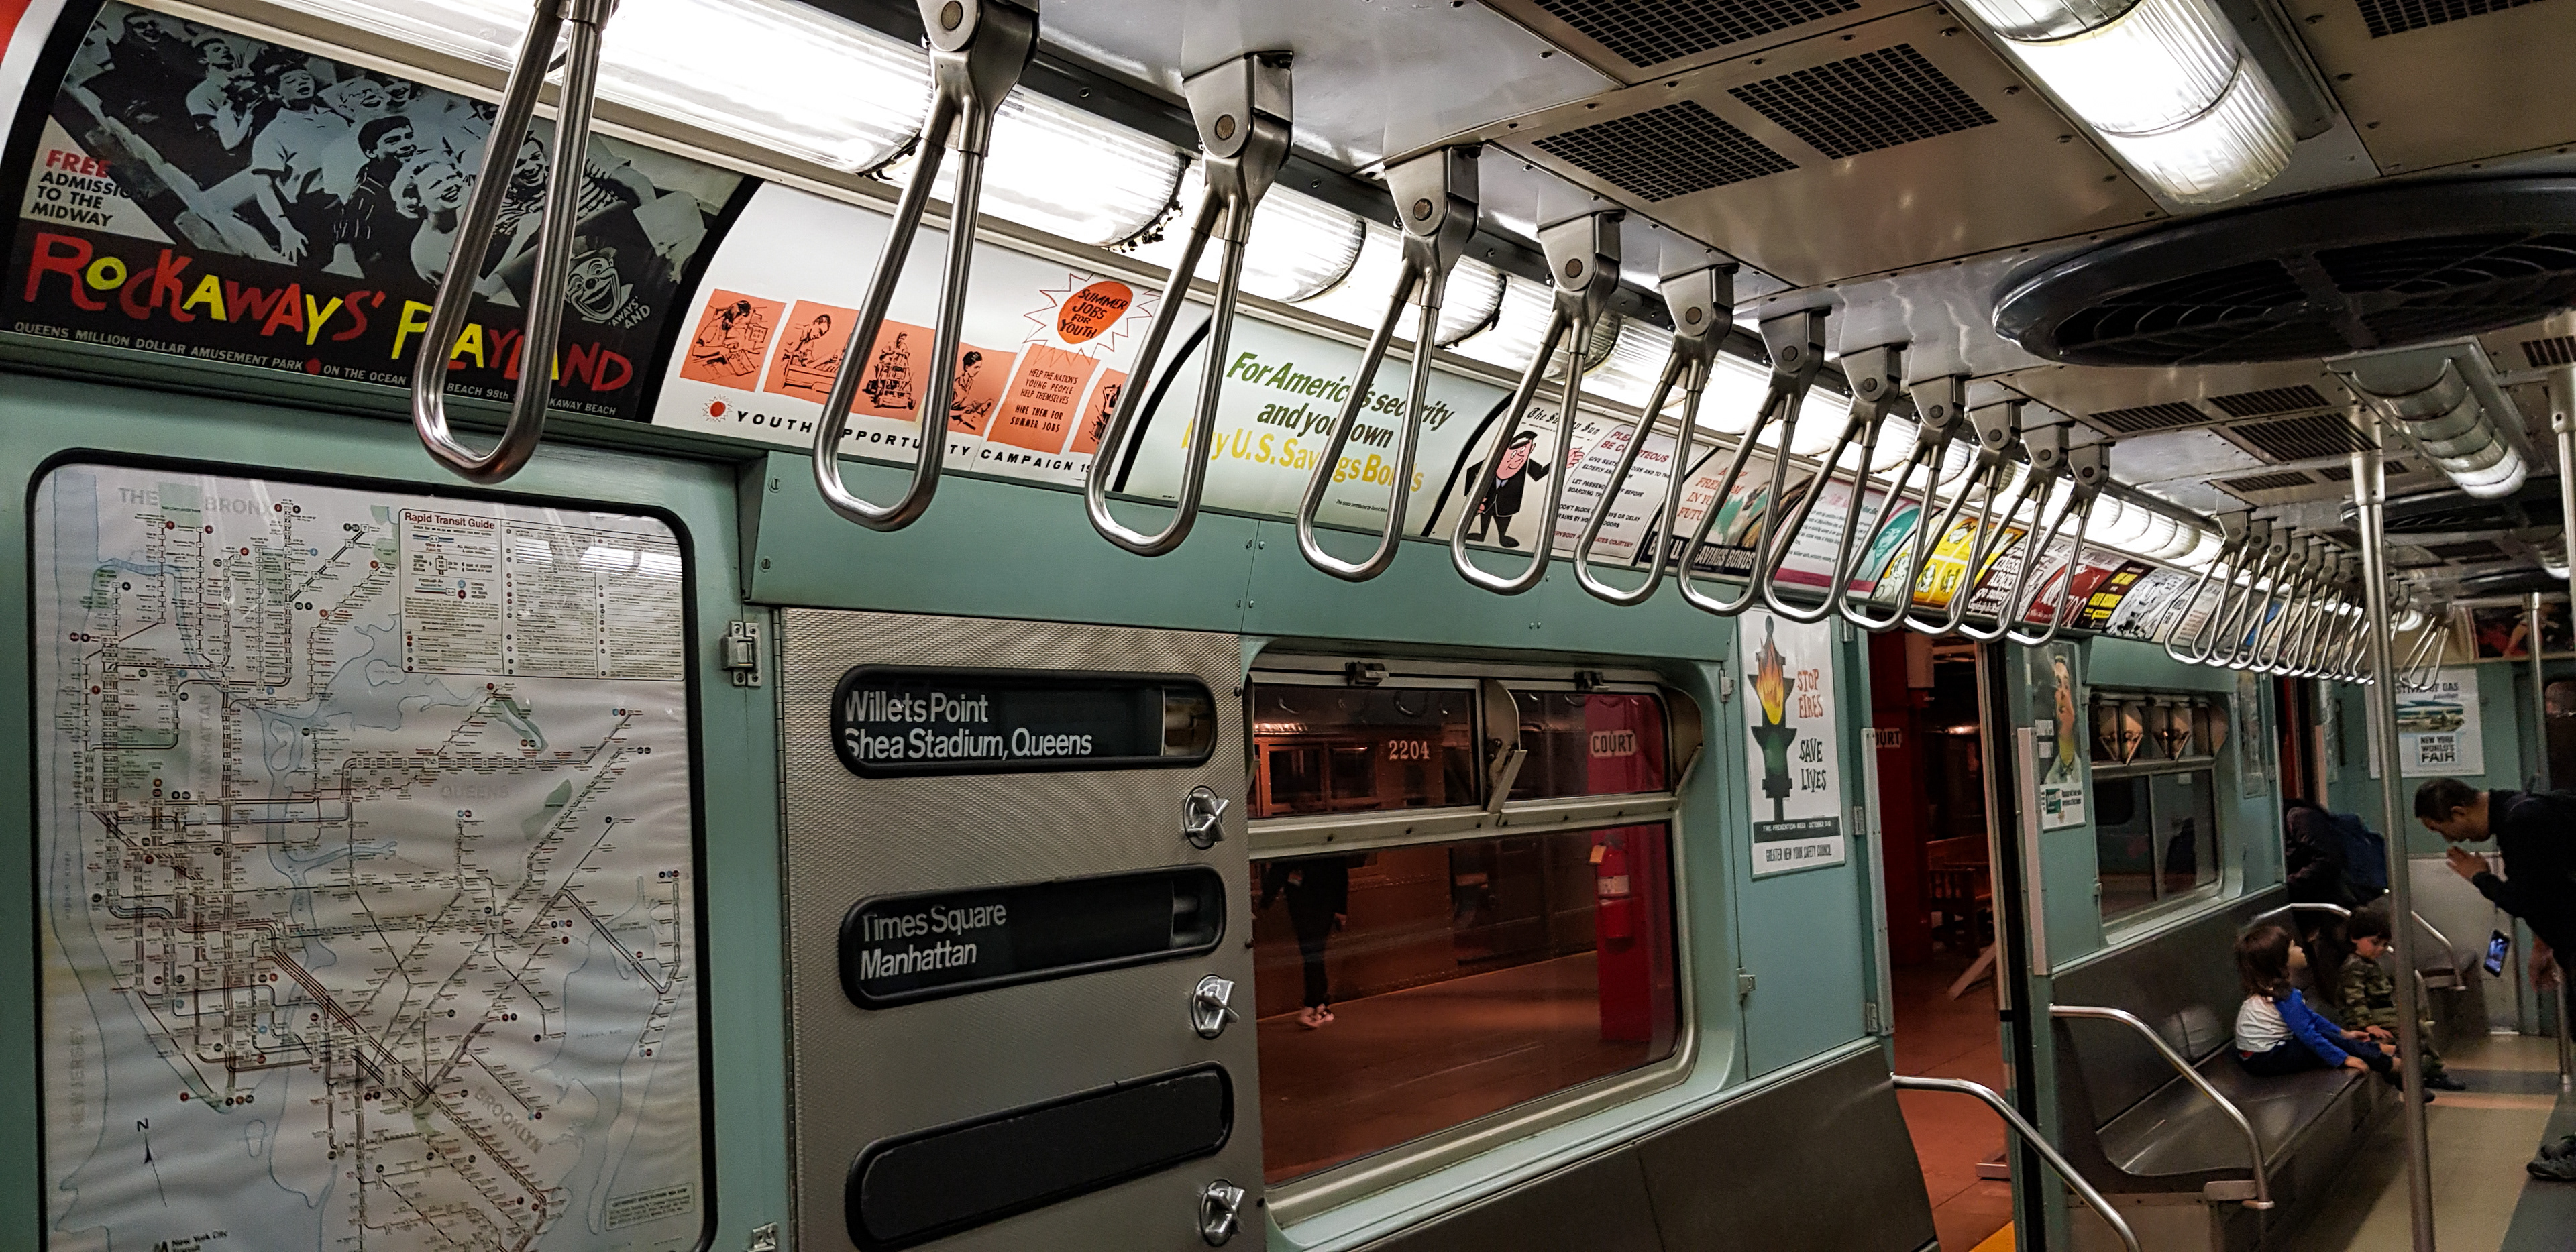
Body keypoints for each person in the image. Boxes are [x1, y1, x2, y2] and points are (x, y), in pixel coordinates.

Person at [2418, 779, 2576, 986]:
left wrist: (2480, 877)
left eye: (2440, 829)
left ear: (2459, 813)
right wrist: (2542, 945)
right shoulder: (2521, 807)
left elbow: (2523, 900)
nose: (2449, 839)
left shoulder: (2521, 823)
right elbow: (2547, 890)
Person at [2233, 924, 2414, 1093]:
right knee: (2321, 1042)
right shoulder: (2285, 998)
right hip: (2267, 1059)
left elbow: (2310, 1018)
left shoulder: (2270, 991)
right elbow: (2309, 1036)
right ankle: (2390, 1064)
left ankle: (2375, 1051)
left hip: (2254, 1058)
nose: (2301, 949)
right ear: (2282, 961)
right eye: (2293, 947)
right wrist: (2343, 1059)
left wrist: (2343, 1033)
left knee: (2327, 1036)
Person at [2321, 900, 2465, 1090]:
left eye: (2384, 944)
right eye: (2375, 943)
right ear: (2355, 938)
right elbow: (2355, 999)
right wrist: (2368, 1025)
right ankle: (2416, 1074)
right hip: (2369, 1016)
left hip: (2382, 1013)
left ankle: (2428, 1072)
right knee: (2414, 1031)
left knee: (2420, 1029)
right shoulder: (2353, 966)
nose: (2380, 949)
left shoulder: (2369, 963)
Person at [1258, 856, 1349, 1030]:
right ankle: (1320, 1003)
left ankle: (1314, 1003)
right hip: (1308, 901)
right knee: (1313, 952)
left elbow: (1339, 872)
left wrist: (1266, 900)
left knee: (1312, 951)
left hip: (1316, 900)